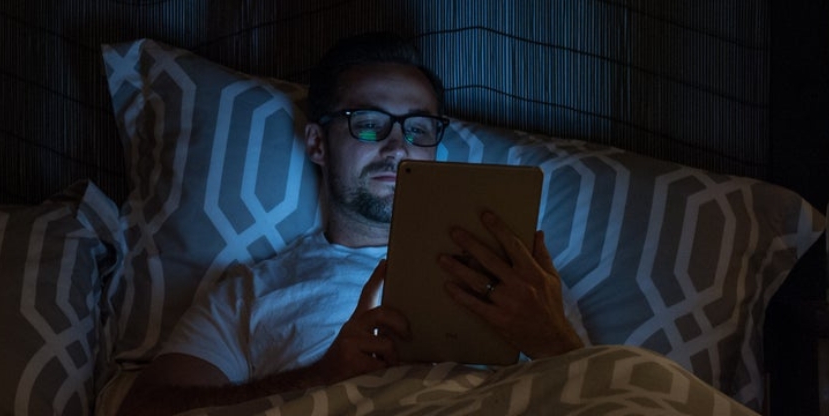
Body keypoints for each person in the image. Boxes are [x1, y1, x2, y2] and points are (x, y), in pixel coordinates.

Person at [116, 32, 582, 416]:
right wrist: (319, 378)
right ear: (318, 143)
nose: (397, 147)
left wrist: (553, 342)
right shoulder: (252, 294)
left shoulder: (520, 280)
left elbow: (604, 392)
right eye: (368, 122)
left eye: (417, 129)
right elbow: (146, 409)